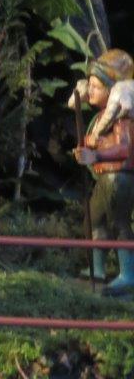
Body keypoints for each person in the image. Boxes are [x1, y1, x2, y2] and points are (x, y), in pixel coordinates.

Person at [72, 49, 134, 296]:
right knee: (94, 219)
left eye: (97, 87)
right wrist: (85, 152)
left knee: (119, 223)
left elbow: (125, 148)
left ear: (112, 91)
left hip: (119, 178)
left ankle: (127, 275)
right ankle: (97, 268)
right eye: (90, 85)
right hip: (103, 178)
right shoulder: (100, 118)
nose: (91, 91)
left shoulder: (121, 118)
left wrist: (96, 155)